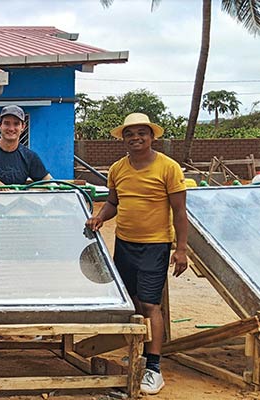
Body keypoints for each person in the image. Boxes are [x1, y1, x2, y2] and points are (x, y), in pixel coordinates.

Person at [85, 113, 188, 395]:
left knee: (150, 305)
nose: (136, 138)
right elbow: (113, 202)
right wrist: (100, 217)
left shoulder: (168, 168)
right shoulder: (118, 168)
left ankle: (154, 368)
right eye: (130, 134)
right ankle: (137, 353)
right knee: (131, 302)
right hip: (125, 243)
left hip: (155, 245)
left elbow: (180, 212)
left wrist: (180, 249)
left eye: (142, 133)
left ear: (152, 137)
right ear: (124, 138)